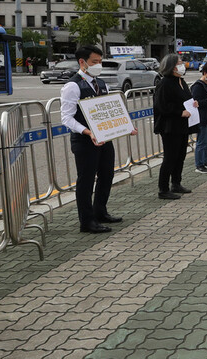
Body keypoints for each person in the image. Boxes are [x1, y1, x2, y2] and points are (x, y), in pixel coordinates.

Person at [61, 45, 136, 233]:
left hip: (104, 139)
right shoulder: (73, 86)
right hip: (85, 141)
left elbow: (109, 111)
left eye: (100, 61)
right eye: (95, 62)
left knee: (107, 175)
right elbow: (66, 118)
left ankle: (100, 211)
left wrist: (125, 126)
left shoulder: (101, 84)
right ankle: (86, 221)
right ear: (82, 62)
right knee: (86, 181)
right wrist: (88, 132)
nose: (98, 65)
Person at [153, 54, 198, 200]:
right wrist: (179, 112)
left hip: (183, 125)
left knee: (180, 156)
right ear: (171, 67)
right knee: (170, 157)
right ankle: (163, 189)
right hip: (170, 126)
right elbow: (161, 106)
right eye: (179, 63)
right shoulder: (165, 83)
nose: (182, 65)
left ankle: (176, 183)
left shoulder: (181, 81)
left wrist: (193, 104)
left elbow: (186, 99)